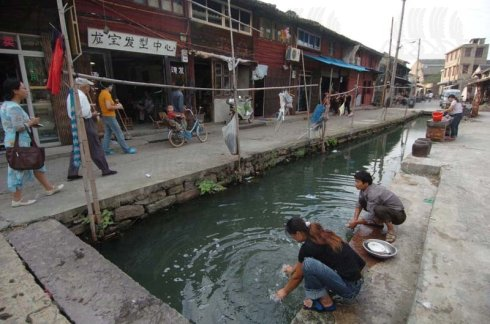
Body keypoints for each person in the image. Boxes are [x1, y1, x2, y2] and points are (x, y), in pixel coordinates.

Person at [276, 217, 365, 312]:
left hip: (350, 290)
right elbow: (299, 268)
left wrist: (284, 291)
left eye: (292, 236)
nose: (293, 239)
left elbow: (298, 276)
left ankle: (326, 302)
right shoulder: (321, 234)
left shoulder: (307, 247)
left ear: (298, 233)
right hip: (357, 281)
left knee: (309, 264)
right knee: (310, 265)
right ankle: (327, 293)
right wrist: (292, 270)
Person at [0, 79, 63, 207]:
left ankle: (49, 188)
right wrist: (31, 122)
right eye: (23, 88)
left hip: (16, 141)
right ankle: (16, 199)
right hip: (18, 143)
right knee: (18, 169)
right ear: (15, 91)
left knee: (36, 163)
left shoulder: (6, 105)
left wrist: (31, 123)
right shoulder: (14, 107)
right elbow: (18, 127)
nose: (26, 90)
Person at [66, 78, 117, 180]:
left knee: (78, 147)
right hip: (85, 122)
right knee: (95, 146)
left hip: (76, 122)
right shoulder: (81, 95)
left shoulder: (71, 95)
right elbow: (84, 113)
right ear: (84, 86)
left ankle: (72, 171)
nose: (89, 89)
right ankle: (105, 169)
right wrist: (92, 113)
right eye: (88, 86)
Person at [347, 170, 406, 243]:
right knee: (362, 201)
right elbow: (359, 204)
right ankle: (378, 222)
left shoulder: (373, 193)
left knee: (378, 209)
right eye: (355, 181)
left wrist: (356, 222)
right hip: (388, 210)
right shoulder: (363, 189)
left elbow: (372, 214)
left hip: (398, 216)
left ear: (366, 183)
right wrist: (354, 219)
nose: (355, 184)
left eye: (357, 182)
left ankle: (391, 231)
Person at [98, 83, 137, 155]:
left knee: (108, 133)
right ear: (108, 86)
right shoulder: (106, 94)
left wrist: (116, 105)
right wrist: (118, 107)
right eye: (111, 86)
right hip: (110, 116)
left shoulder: (101, 93)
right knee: (119, 133)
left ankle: (105, 150)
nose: (112, 87)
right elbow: (109, 107)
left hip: (105, 116)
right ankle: (126, 149)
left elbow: (108, 105)